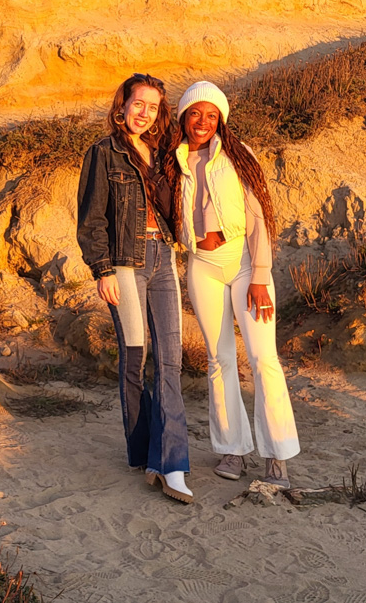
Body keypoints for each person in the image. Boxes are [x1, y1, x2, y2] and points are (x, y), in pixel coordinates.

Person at [166, 80, 300, 487]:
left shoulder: (241, 156)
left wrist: (260, 275)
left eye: (211, 115)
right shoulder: (174, 161)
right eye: (195, 114)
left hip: (243, 263)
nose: (203, 122)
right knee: (219, 360)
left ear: (221, 119)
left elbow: (260, 219)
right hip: (202, 265)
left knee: (263, 358)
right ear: (184, 118)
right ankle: (232, 449)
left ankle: (277, 454)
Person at [76, 74, 192, 504]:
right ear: (121, 105)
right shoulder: (103, 153)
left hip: (163, 258)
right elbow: (91, 220)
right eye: (137, 103)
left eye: (153, 106)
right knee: (135, 359)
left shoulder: (163, 154)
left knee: (171, 361)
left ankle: (173, 463)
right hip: (125, 263)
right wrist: (101, 270)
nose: (144, 113)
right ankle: (144, 455)